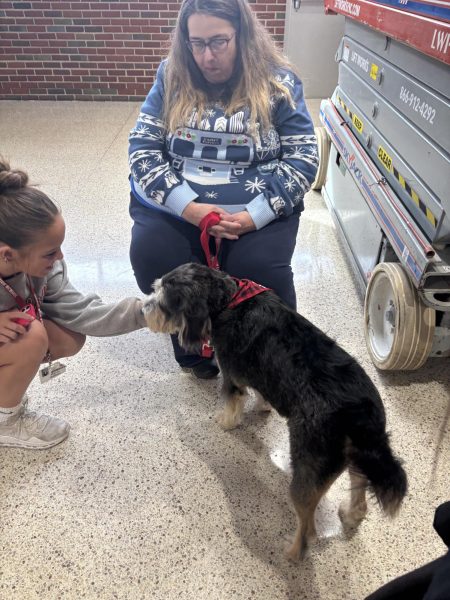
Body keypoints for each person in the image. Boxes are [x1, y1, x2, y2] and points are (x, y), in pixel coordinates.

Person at [128, 0, 318, 379]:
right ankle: (196, 351)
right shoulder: (171, 73)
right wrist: (192, 209)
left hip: (255, 204)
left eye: (218, 42)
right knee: (155, 256)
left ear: (242, 36)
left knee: (259, 271)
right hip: (180, 205)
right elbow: (142, 150)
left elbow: (304, 158)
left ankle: (275, 359)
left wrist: (255, 216)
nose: (207, 56)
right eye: (196, 43)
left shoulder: (278, 81)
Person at [0, 159, 148, 450]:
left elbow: (81, 312)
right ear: (7, 255)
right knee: (32, 336)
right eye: (50, 252)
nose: (61, 258)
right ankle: (5, 423)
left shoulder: (47, 270)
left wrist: (151, 312)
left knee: (67, 338)